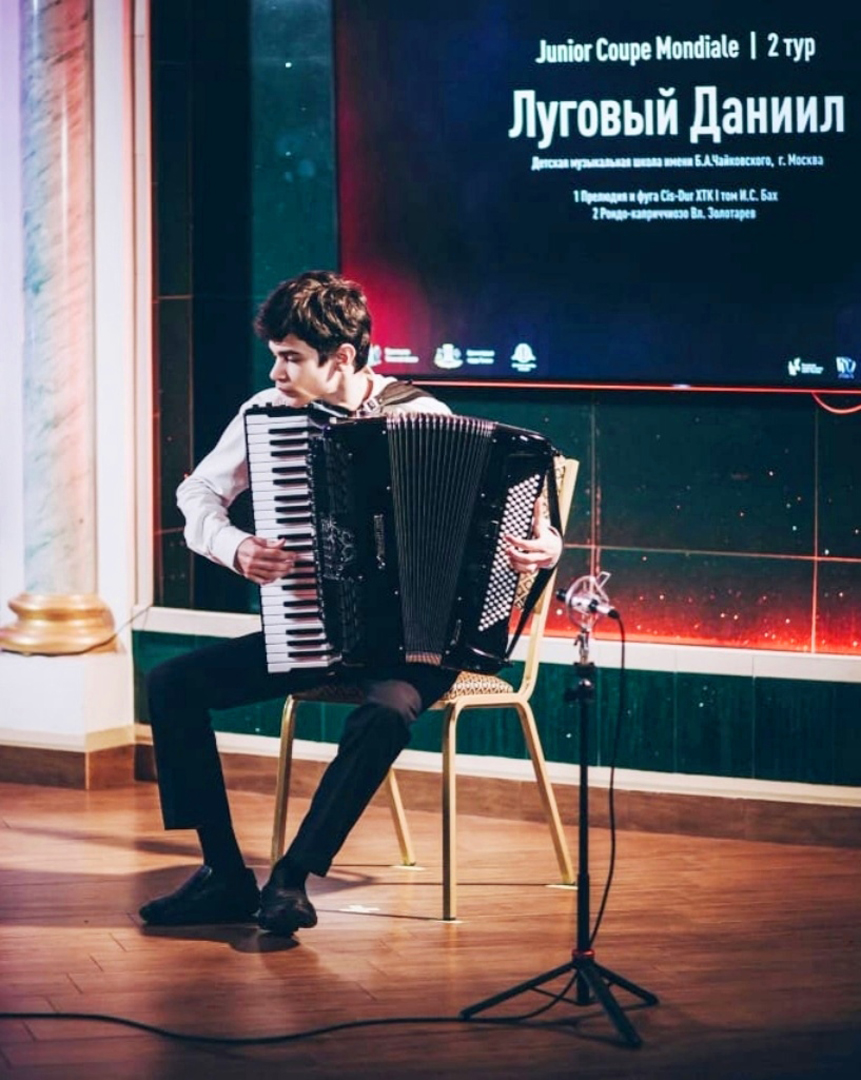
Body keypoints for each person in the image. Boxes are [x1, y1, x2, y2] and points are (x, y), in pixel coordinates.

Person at [140, 270, 562, 936]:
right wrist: (234, 546)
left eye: (290, 358)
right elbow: (197, 495)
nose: (276, 372)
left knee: (386, 713)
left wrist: (544, 546)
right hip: (312, 627)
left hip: (420, 646)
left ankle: (292, 877)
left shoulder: (423, 416)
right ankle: (222, 873)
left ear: (340, 357)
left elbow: (523, 518)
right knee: (172, 684)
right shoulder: (266, 414)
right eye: (274, 356)